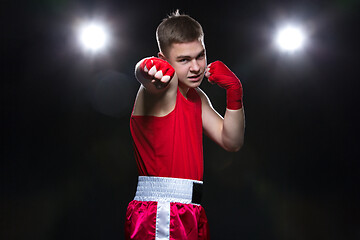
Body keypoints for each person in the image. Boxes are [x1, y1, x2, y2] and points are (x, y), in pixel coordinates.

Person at [125, 10, 245, 240]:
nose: (196, 67)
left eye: (200, 56)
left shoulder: (196, 97)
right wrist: (146, 67)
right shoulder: (162, 87)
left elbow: (232, 140)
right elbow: (146, 77)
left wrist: (235, 92)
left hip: (191, 209)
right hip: (161, 210)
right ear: (163, 58)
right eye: (184, 60)